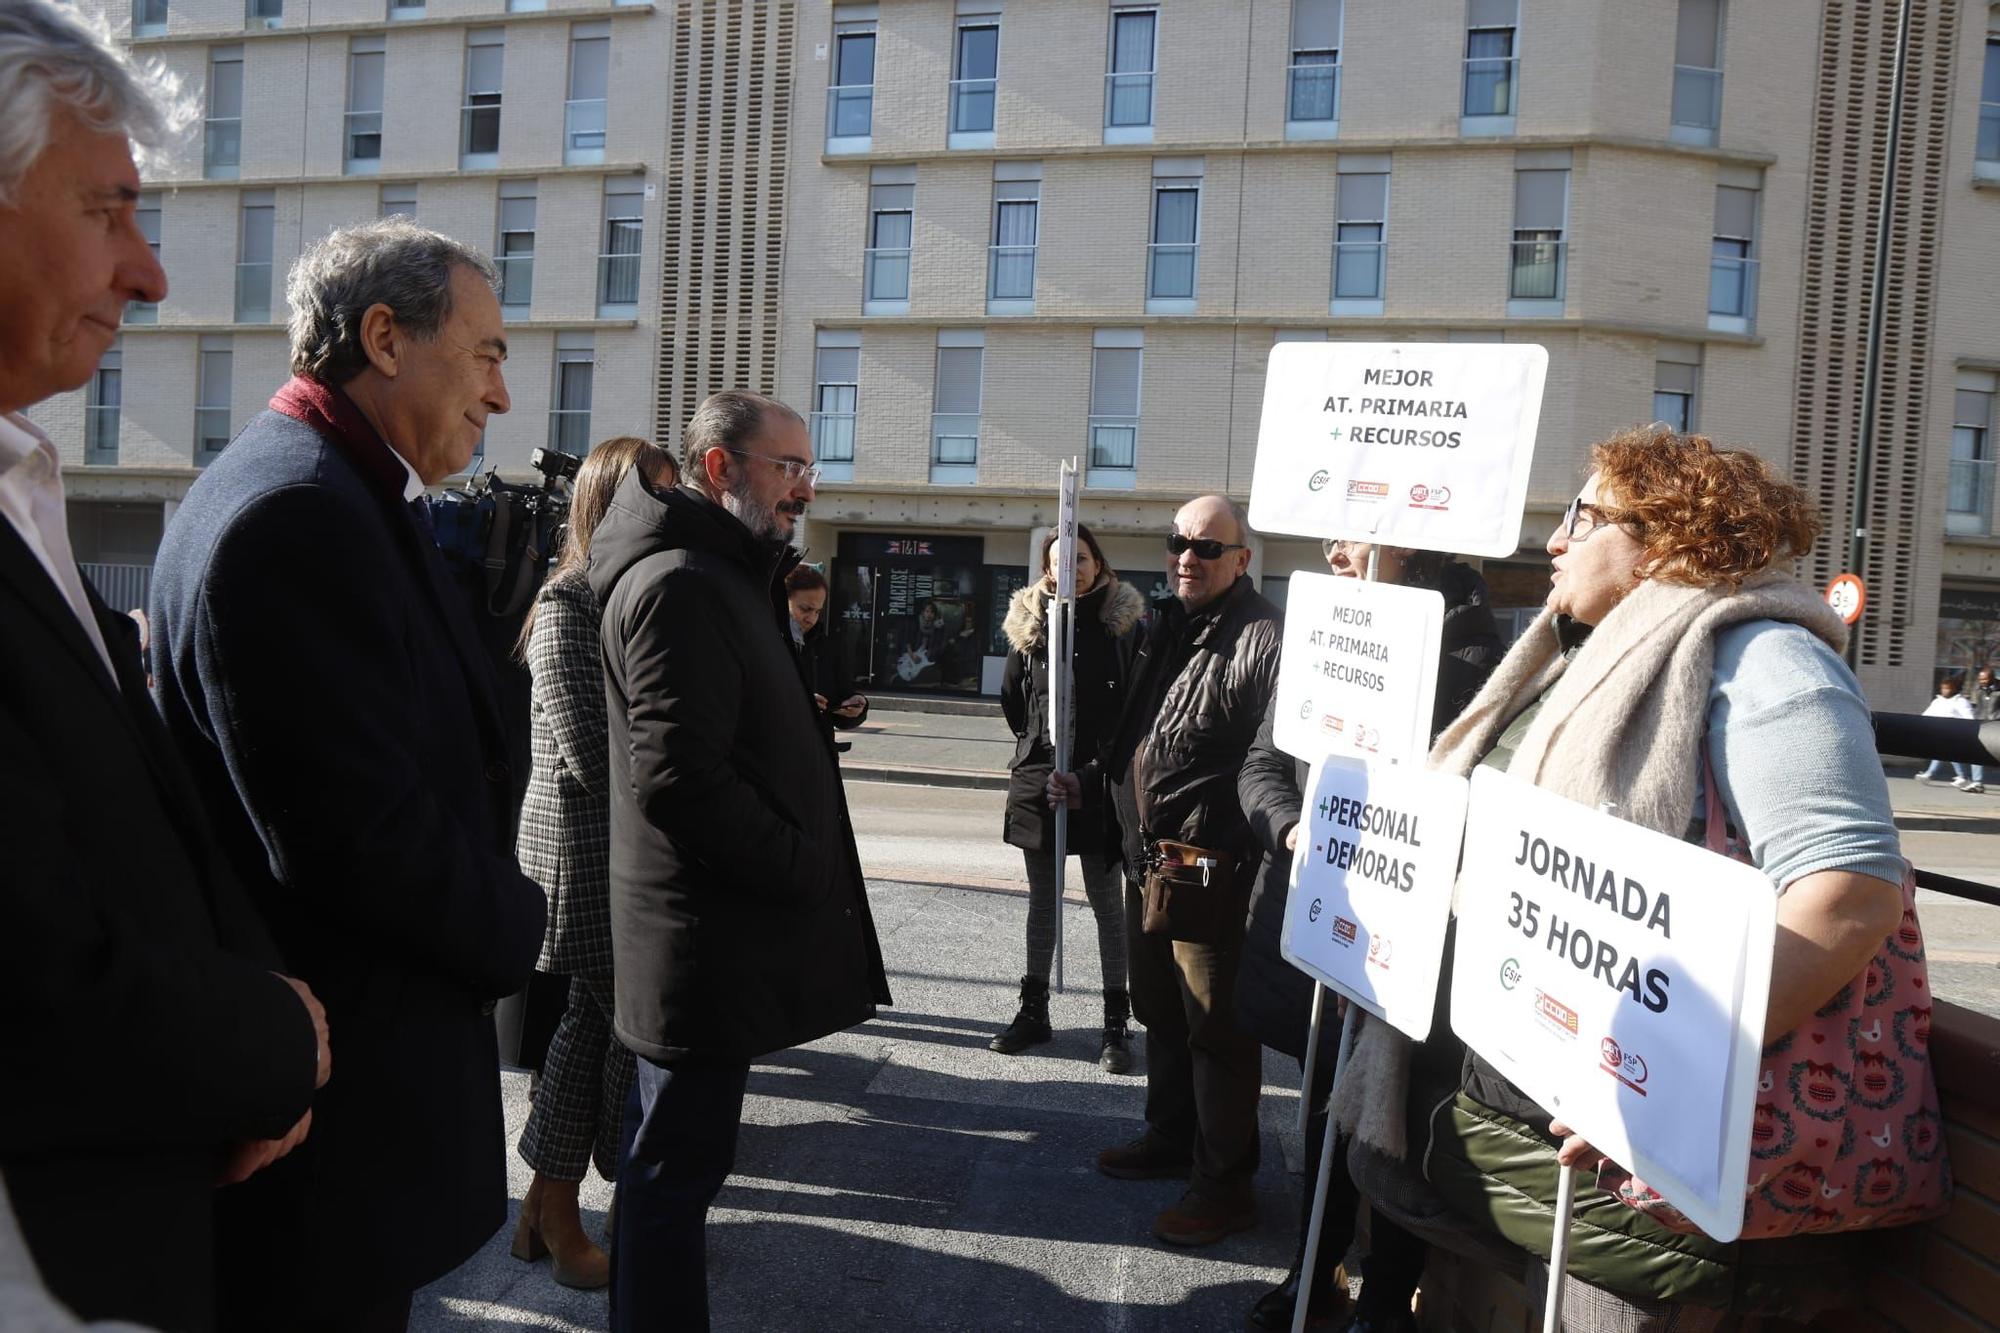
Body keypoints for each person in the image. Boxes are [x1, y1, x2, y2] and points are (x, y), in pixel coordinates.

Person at [1334, 427, 1942, 1329]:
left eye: (1581, 517)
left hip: (1645, 1175)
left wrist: (1661, 1085)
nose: (1554, 542)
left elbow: (1849, 893)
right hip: (1535, 1140)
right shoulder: (1581, 657)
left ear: (1663, 537)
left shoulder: (1768, 660)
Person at [148, 220, 547, 1332]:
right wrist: (522, 924)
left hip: (347, 1110)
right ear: (383, 336)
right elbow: (354, 840)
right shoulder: (298, 510)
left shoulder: (340, 490)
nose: (502, 395)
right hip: (333, 1127)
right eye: (486, 353)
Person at [0, 4, 326, 1327]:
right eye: (108, 210)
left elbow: (136, 812)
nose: (150, 274)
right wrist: (271, 1041)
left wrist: (254, 1037)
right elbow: (29, 978)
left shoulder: (26, 480)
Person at [590, 389, 890, 1329]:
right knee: (672, 1181)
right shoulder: (683, 580)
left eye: (809, 467)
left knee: (668, 1171)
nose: (806, 487)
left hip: (706, 942)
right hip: (695, 949)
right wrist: (805, 865)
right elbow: (680, 778)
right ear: (721, 468)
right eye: (787, 467)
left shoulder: (726, 571)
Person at [1236, 540, 1503, 1331]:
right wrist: (1295, 830)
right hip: (1322, 925)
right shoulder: (1323, 634)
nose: (1334, 550)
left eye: (1355, 533)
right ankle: (1314, 1267)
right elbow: (1261, 766)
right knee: (1321, 1109)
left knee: (1392, 1121)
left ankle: (1387, 1297)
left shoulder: (1471, 643)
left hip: (1411, 942)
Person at [509, 437, 677, 1291]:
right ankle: (560, 1202)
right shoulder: (570, 601)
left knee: (592, 1022)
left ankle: (549, 1203)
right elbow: (587, 752)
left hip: (620, 853)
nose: (668, 512)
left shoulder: (628, 595)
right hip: (580, 856)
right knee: (601, 1024)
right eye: (654, 495)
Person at [1093, 494, 1282, 1246]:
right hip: (1153, 860)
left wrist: (1228, 851)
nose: (1186, 557)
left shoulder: (1263, 636)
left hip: (1210, 869)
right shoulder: (1169, 623)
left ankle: (1224, 1184)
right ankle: (1170, 1138)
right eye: (1178, 542)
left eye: (1207, 547)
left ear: (1242, 558)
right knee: (1162, 1013)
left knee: (1217, 1032)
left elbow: (1269, 764)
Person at [992, 523, 1146, 1070]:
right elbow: (1015, 703)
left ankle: (1114, 1024)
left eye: (1081, 559)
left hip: (1101, 784)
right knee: (1042, 902)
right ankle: (1033, 1012)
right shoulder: (1031, 627)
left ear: (1099, 565)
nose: (1072, 569)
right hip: (1040, 780)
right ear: (1046, 569)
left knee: (1108, 906)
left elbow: (1135, 715)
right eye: (1061, 561)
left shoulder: (1122, 626)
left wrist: (1088, 771)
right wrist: (1044, 759)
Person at [785, 563, 870, 737]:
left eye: (818, 611)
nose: (811, 618)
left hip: (817, 754)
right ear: (783, 601)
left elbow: (841, 701)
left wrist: (857, 705)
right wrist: (799, 705)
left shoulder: (825, 645)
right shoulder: (763, 642)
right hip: (774, 753)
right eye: (805, 609)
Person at [1915, 676, 1980, 791]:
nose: (1945, 691)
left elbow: (1969, 718)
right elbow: (1926, 715)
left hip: (1956, 733)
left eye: (1948, 688)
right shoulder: (1938, 701)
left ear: (1954, 689)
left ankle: (1930, 774)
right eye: (1943, 688)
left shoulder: (1961, 702)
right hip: (1940, 732)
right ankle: (1961, 776)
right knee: (1946, 753)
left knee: (1945, 752)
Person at [1973, 665, 1997, 790]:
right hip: (1982, 725)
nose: (1982, 682)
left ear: (1992, 678)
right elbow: (1978, 707)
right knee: (1976, 752)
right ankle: (1977, 782)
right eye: (1980, 679)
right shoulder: (1979, 689)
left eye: (1985, 679)